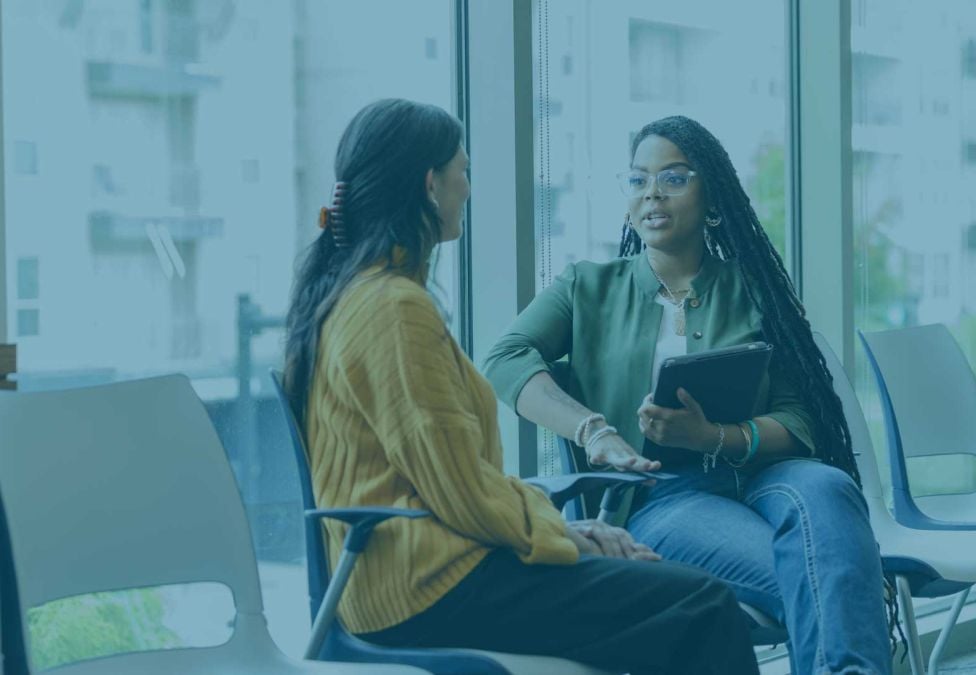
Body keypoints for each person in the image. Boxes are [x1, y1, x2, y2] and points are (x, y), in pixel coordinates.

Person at [282, 99, 759, 675]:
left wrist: (564, 527)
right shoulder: (392, 310)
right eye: (464, 170)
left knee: (659, 605)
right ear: (431, 184)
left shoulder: (359, 295)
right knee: (700, 605)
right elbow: (458, 489)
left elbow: (454, 483)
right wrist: (567, 537)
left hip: (419, 570)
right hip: (425, 586)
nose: (469, 186)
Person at [483, 115, 893, 675]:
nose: (652, 192)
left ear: (712, 197)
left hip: (767, 476)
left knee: (828, 484)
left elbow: (801, 422)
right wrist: (592, 430)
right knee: (830, 577)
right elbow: (504, 358)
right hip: (665, 496)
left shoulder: (755, 293)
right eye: (638, 180)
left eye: (673, 178)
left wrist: (715, 437)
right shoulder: (586, 287)